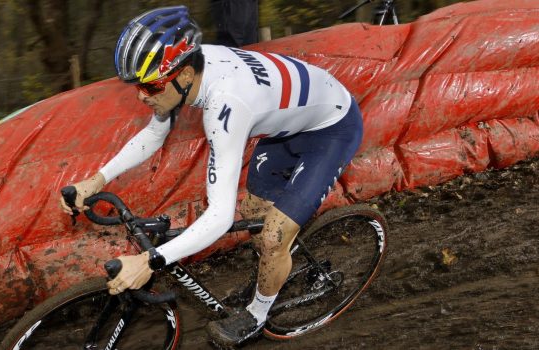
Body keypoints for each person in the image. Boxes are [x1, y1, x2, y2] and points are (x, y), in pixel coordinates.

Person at [59, 6, 363, 347]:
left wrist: (151, 260)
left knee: (275, 235)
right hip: (286, 126)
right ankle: (270, 271)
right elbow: (154, 135)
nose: (142, 95)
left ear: (185, 74)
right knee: (254, 214)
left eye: (150, 86)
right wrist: (96, 180)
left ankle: (257, 316)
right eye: (137, 86)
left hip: (331, 129)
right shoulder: (185, 70)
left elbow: (219, 217)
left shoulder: (225, 106)